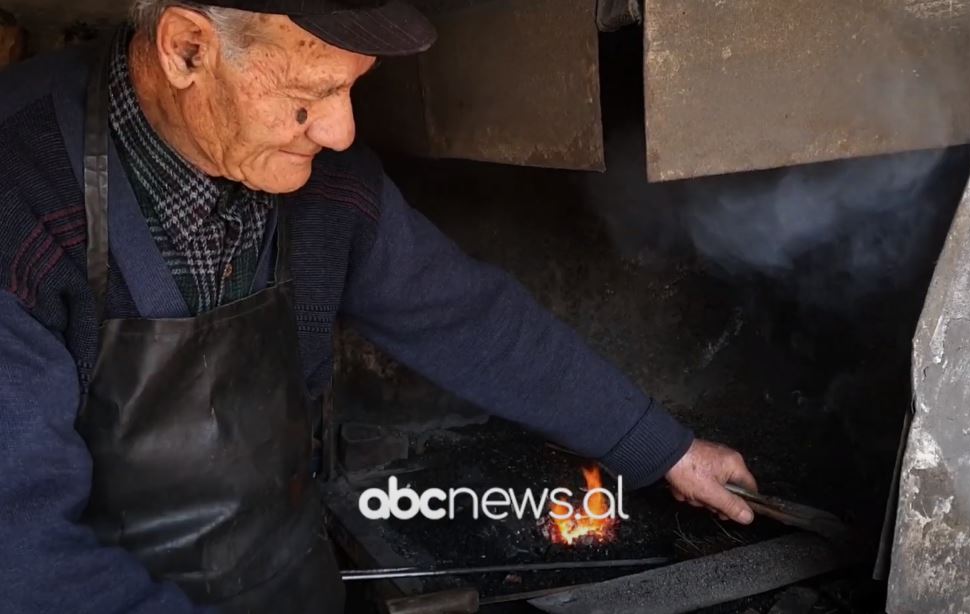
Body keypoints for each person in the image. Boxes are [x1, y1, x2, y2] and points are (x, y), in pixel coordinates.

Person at [0, 1, 758, 612]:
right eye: (310, 95)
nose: (341, 130)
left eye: (351, 86)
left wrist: (664, 449)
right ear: (187, 49)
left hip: (288, 575)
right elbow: (21, 553)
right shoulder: (22, 192)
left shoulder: (328, 183)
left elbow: (468, 318)